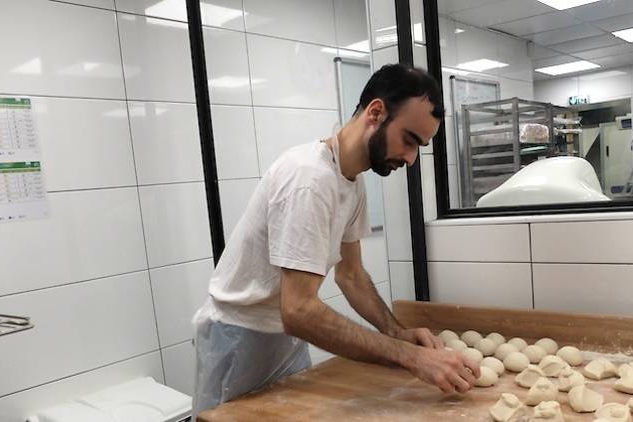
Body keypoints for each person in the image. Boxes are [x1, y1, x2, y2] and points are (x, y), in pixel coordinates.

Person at [192, 63, 480, 417]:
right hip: (238, 338)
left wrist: (396, 333)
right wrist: (412, 358)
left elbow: (352, 275)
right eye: (409, 140)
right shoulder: (308, 179)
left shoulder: (351, 181)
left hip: (284, 338)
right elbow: (298, 310)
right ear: (376, 112)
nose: (410, 158)